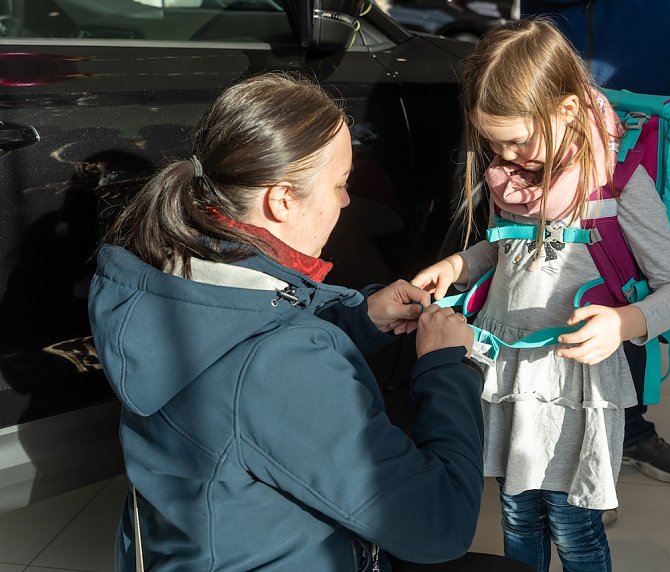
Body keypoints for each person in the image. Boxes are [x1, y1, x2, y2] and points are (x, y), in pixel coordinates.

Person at [88, 73, 534, 572]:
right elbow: (440, 525)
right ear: (281, 199)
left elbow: (247, 356)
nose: (346, 201)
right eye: (342, 184)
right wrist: (448, 367)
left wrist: (358, 319)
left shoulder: (163, 272)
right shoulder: (279, 365)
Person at [411, 20, 670, 572]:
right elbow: (507, 252)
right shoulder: (511, 176)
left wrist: (624, 323)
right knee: (516, 520)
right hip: (509, 381)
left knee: (575, 531)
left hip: (574, 392)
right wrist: (458, 264)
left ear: (568, 110)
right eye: (492, 142)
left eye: (518, 139)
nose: (507, 156)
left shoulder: (616, 182)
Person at [519, 0, 670, 492]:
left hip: (654, 114)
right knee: (552, 273)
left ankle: (627, 428)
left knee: (629, 280)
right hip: (556, 104)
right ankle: (554, 438)